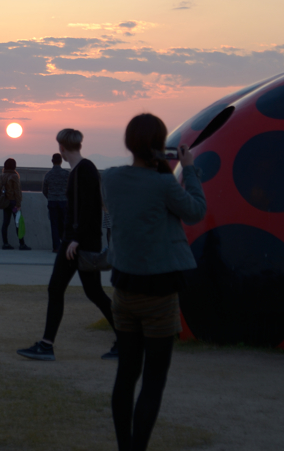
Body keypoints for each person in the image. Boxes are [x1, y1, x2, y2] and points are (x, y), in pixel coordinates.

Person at [105, 114, 206, 451]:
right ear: (160, 145)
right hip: (160, 294)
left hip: (123, 290)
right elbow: (194, 211)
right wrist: (188, 168)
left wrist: (159, 163)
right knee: (153, 381)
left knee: (126, 375)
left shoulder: (113, 179)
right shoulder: (164, 184)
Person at [17, 128, 117, 361]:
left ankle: (46, 345)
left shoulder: (84, 170)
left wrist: (76, 239)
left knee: (59, 289)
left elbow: (89, 211)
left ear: (61, 148)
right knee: (94, 293)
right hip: (77, 241)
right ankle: (126, 339)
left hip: (76, 243)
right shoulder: (81, 170)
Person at [0, 158, 30, 251]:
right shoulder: (14, 176)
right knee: (18, 223)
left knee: (5, 223)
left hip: (5, 202)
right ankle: (22, 244)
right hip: (14, 203)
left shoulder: (1, 176)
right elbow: (17, 191)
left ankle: (5, 243)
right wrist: (18, 204)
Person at [41, 153, 68, 253]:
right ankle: (65, 245)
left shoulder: (48, 174)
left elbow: (44, 190)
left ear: (52, 161)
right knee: (64, 224)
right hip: (63, 202)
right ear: (61, 161)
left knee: (54, 225)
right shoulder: (66, 174)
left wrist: (50, 197)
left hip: (52, 202)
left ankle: (56, 247)